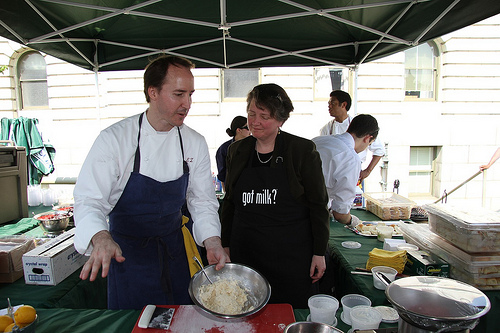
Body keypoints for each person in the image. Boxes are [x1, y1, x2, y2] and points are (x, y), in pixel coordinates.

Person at [73, 55, 230, 310]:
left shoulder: (194, 142)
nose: (187, 104)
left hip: (174, 251)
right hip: (127, 256)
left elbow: (202, 200)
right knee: (135, 321)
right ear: (153, 92)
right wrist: (100, 237)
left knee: (180, 317)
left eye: (190, 94)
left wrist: (212, 240)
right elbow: (89, 200)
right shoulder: (114, 140)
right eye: (179, 94)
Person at [220, 83, 330, 309]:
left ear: (280, 120)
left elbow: (318, 205)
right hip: (246, 253)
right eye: (252, 114)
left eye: (264, 116)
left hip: (289, 257)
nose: (255, 121)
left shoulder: (301, 151)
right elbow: (230, 201)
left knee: (287, 313)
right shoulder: (237, 151)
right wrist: (225, 243)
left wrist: (319, 252)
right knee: (244, 308)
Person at [313, 114, 379, 226]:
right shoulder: (351, 158)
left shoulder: (318, 140)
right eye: (369, 144)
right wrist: (352, 221)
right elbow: (340, 214)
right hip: (310, 216)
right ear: (368, 138)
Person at [319, 90, 385, 181]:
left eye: (333, 103)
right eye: (329, 104)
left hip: (354, 171)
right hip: (332, 173)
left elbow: (380, 150)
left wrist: (367, 171)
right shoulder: (326, 129)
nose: (329, 107)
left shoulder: (359, 125)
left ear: (343, 105)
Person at [215, 116, 250, 190]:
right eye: (248, 128)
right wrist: (226, 192)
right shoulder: (224, 149)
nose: (251, 131)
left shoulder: (255, 146)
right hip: (233, 190)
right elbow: (222, 174)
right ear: (239, 130)